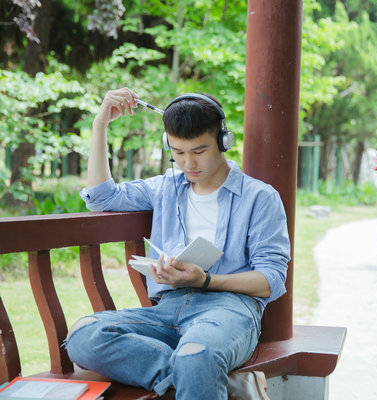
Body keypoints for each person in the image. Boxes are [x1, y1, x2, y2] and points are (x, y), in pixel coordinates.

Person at [65, 88, 290, 400]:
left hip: (231, 309)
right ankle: (209, 376)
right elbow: (101, 197)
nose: (188, 163)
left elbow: (272, 279)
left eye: (199, 152)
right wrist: (99, 125)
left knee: (197, 353)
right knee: (83, 335)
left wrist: (205, 280)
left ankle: (198, 365)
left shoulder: (260, 198)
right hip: (168, 309)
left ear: (224, 141)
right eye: (178, 152)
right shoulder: (165, 188)